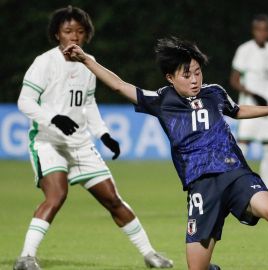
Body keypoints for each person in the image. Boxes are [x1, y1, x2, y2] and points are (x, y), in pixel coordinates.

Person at [63, 36, 268, 270]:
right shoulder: (162, 100)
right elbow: (118, 85)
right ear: (170, 77)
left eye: (198, 72)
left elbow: (237, 111)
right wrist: (88, 59)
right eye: (186, 74)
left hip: (234, 174)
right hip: (201, 186)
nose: (194, 79)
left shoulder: (214, 92)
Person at [14, 6, 173, 270]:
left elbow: (88, 103)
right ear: (57, 35)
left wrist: (104, 134)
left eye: (80, 32)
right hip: (48, 141)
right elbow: (25, 102)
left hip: (80, 143)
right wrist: (54, 118)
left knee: (112, 198)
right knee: (57, 195)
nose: (74, 37)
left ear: (87, 36)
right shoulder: (44, 63)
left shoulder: (89, 64)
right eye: (68, 31)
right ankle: (26, 257)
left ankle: (150, 254)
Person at [230, 14, 268, 190]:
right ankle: (238, 184)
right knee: (243, 145)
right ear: (253, 31)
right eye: (258, 29)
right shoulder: (245, 50)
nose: (262, 33)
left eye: (265, 29)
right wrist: (253, 94)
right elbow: (234, 80)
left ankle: (267, 189)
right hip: (250, 107)